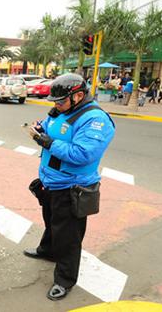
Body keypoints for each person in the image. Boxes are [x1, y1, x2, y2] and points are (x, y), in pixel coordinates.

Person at [24, 73, 115, 301]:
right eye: (54, 101)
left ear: (79, 96)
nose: (56, 105)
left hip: (71, 187)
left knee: (69, 236)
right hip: (50, 182)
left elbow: (82, 154)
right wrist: (39, 128)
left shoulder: (95, 119)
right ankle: (47, 250)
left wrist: (49, 142)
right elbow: (47, 124)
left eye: (61, 101)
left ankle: (65, 280)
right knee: (52, 221)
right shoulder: (61, 110)